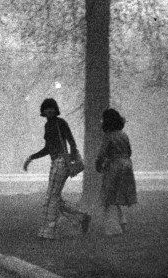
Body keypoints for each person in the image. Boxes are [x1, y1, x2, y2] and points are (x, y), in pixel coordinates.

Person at [23, 98, 91, 239]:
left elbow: (71, 141)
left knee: (51, 197)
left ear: (55, 109)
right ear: (43, 111)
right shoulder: (48, 126)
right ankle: (82, 216)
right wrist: (32, 157)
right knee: (56, 198)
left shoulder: (61, 123)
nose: (49, 110)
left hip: (61, 161)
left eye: (51, 108)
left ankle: (48, 232)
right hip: (55, 162)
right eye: (46, 108)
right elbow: (47, 148)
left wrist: (71, 159)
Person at [95, 108, 137, 236]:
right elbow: (129, 152)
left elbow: (102, 153)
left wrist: (99, 165)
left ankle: (112, 228)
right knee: (117, 195)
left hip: (114, 166)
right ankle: (122, 223)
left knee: (109, 197)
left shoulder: (108, 136)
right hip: (127, 165)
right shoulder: (123, 134)